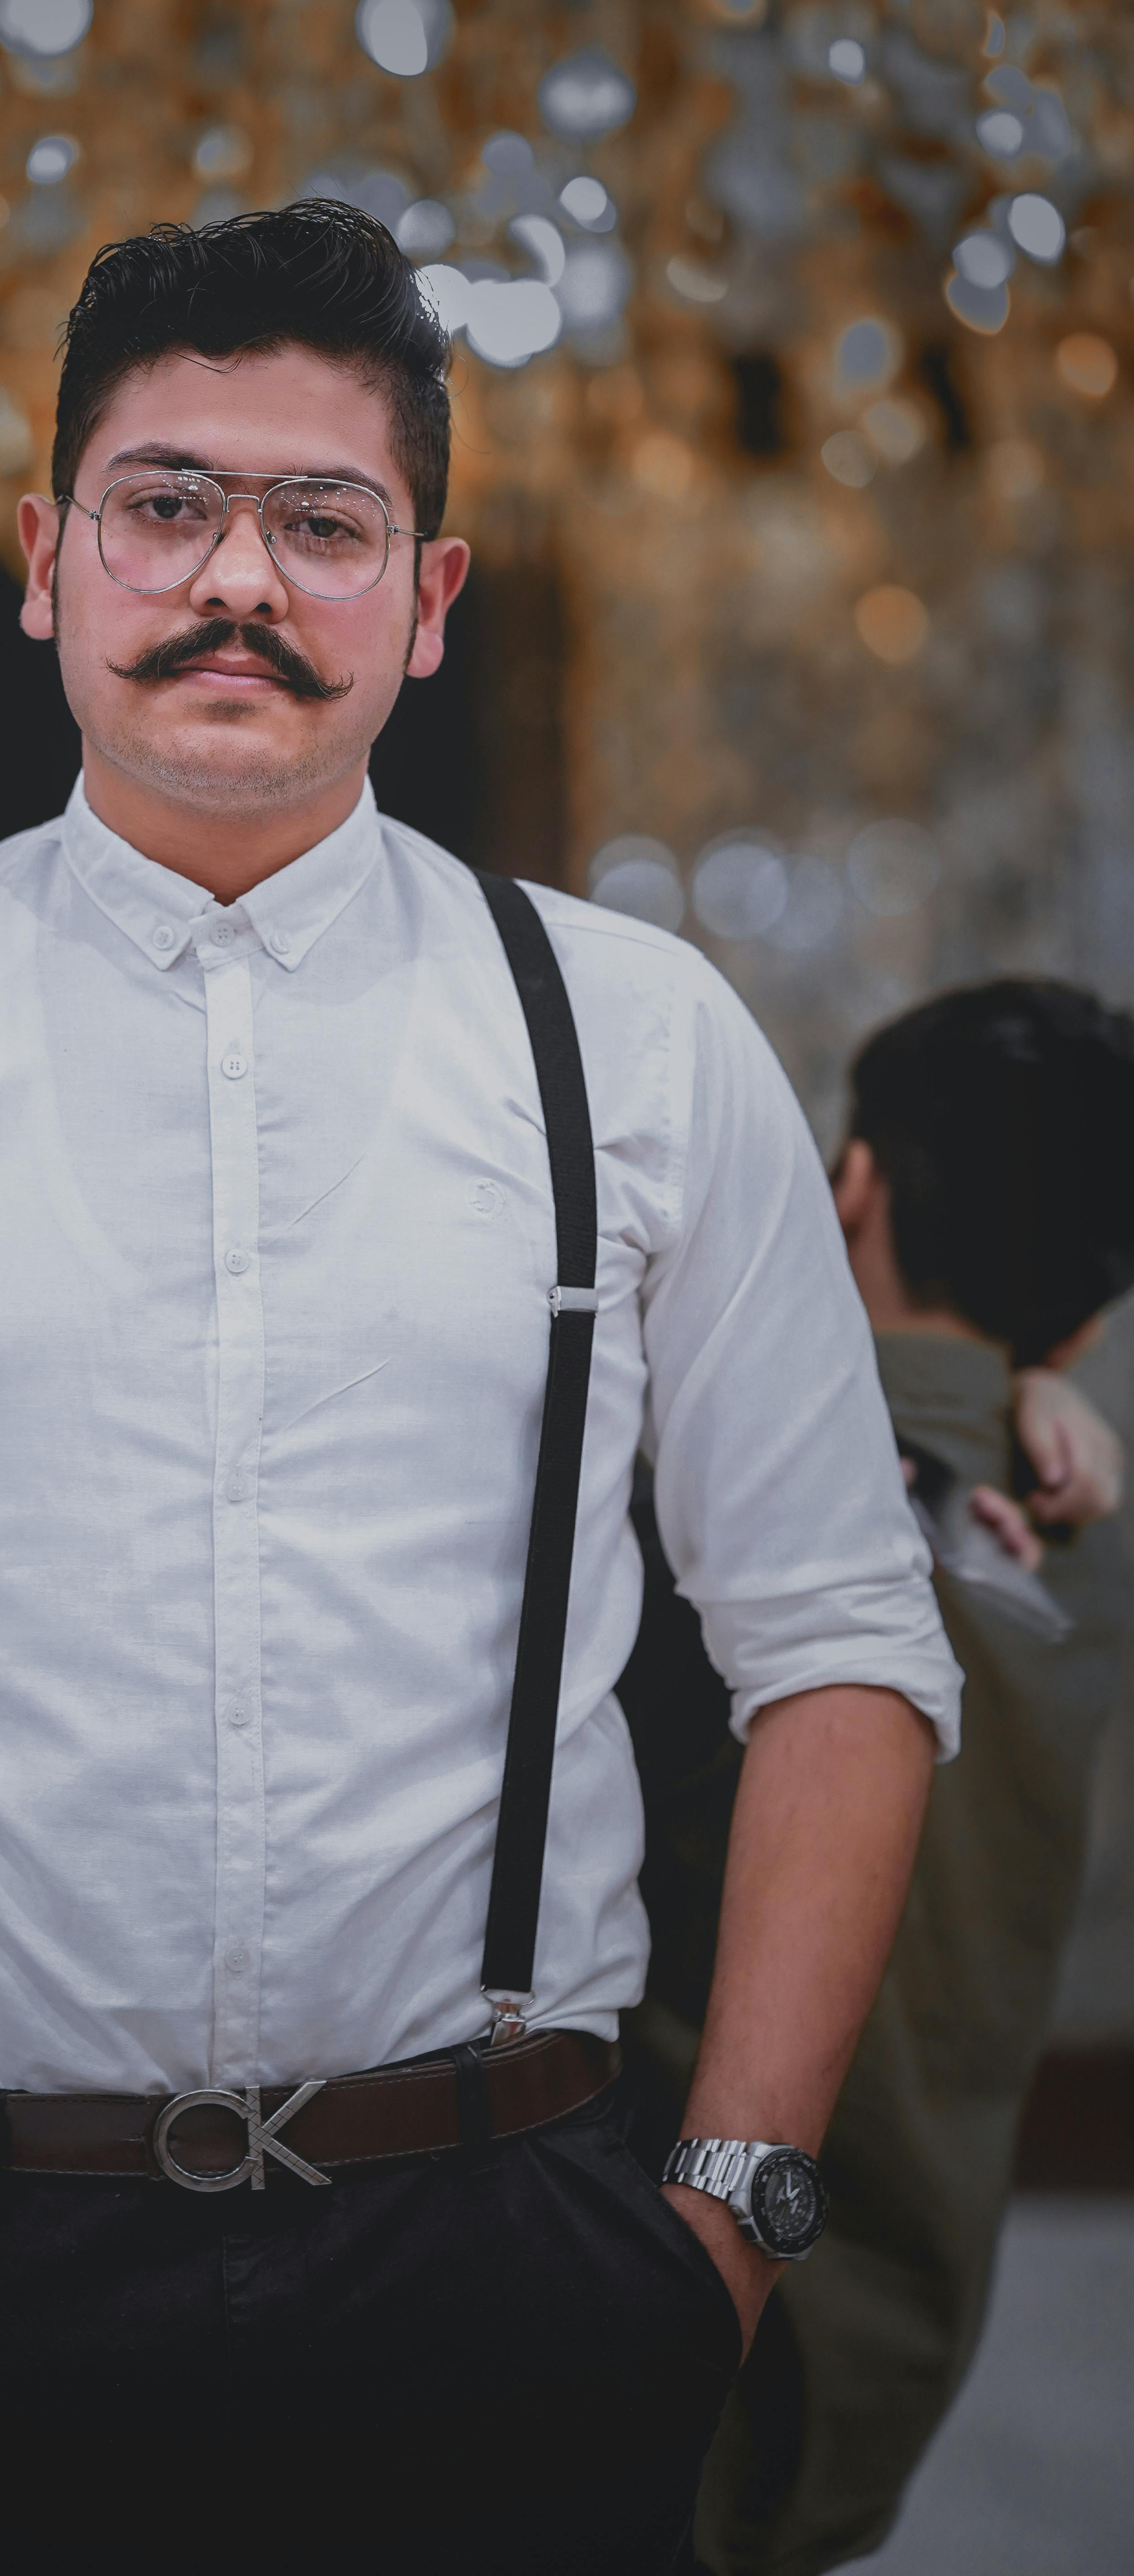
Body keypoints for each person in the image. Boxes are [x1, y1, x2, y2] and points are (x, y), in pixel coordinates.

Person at [0, 204, 958, 2573]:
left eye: (322, 520)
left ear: (429, 593)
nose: (237, 581)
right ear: (47, 561)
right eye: (168, 504)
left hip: (524, 2261)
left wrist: (728, 2233)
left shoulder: (640, 1043)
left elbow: (847, 1653)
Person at [624, 978, 1134, 2576]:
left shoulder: (685, 1515)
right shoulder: (1084, 1523)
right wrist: (1024, 1385)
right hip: (897, 2316)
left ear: (850, 1189)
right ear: (1096, 1314)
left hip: (647, 2274)